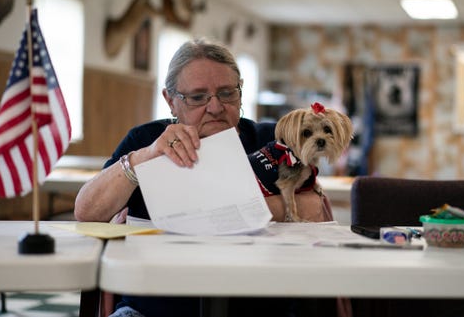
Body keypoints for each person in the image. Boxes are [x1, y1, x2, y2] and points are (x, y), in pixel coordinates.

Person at [74, 38, 334, 317]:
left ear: (241, 92)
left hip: (258, 303)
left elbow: (314, 208)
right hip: (156, 305)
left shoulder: (271, 140)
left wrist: (214, 214)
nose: (215, 107)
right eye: (198, 97)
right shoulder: (146, 140)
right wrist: (143, 158)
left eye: (226, 93)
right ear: (170, 101)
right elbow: (87, 212)